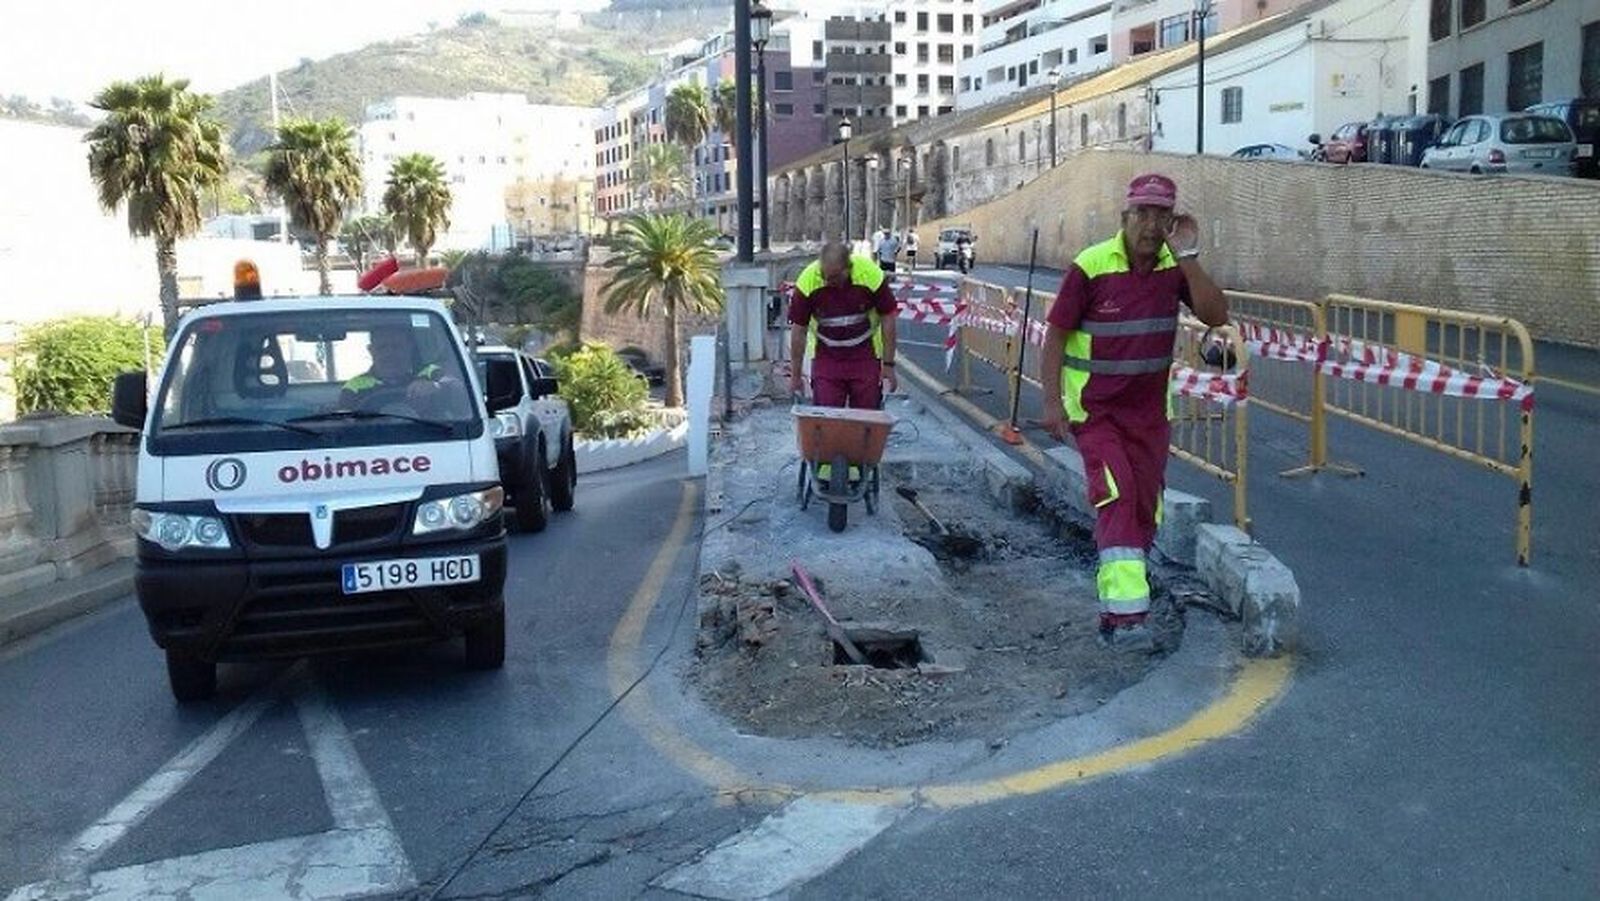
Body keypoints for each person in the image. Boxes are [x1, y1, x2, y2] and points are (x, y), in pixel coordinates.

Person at [1038, 173, 1228, 651]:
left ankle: (1114, 607)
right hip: (1095, 412)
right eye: (1142, 213)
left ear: (1171, 220)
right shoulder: (1092, 266)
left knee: (1144, 510)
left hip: (1148, 417)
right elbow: (1056, 335)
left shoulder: (1173, 268)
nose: (1150, 224)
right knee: (1117, 499)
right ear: (1125, 217)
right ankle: (1128, 622)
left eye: (1161, 215)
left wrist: (1190, 257)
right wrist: (1052, 403)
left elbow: (1214, 315)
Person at [787, 242, 898, 409]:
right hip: (827, 356)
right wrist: (795, 376)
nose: (827, 282)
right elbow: (798, 330)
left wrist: (888, 365)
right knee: (827, 414)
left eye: (834, 278)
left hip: (865, 355)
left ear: (848, 268)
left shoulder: (870, 274)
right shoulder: (808, 281)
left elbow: (888, 318)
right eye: (824, 277)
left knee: (866, 416)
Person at [340, 322, 457, 412]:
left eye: (396, 347)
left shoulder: (430, 372)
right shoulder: (354, 387)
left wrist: (436, 386)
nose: (389, 354)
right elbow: (346, 427)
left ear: (409, 348)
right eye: (382, 348)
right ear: (371, 351)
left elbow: (459, 387)